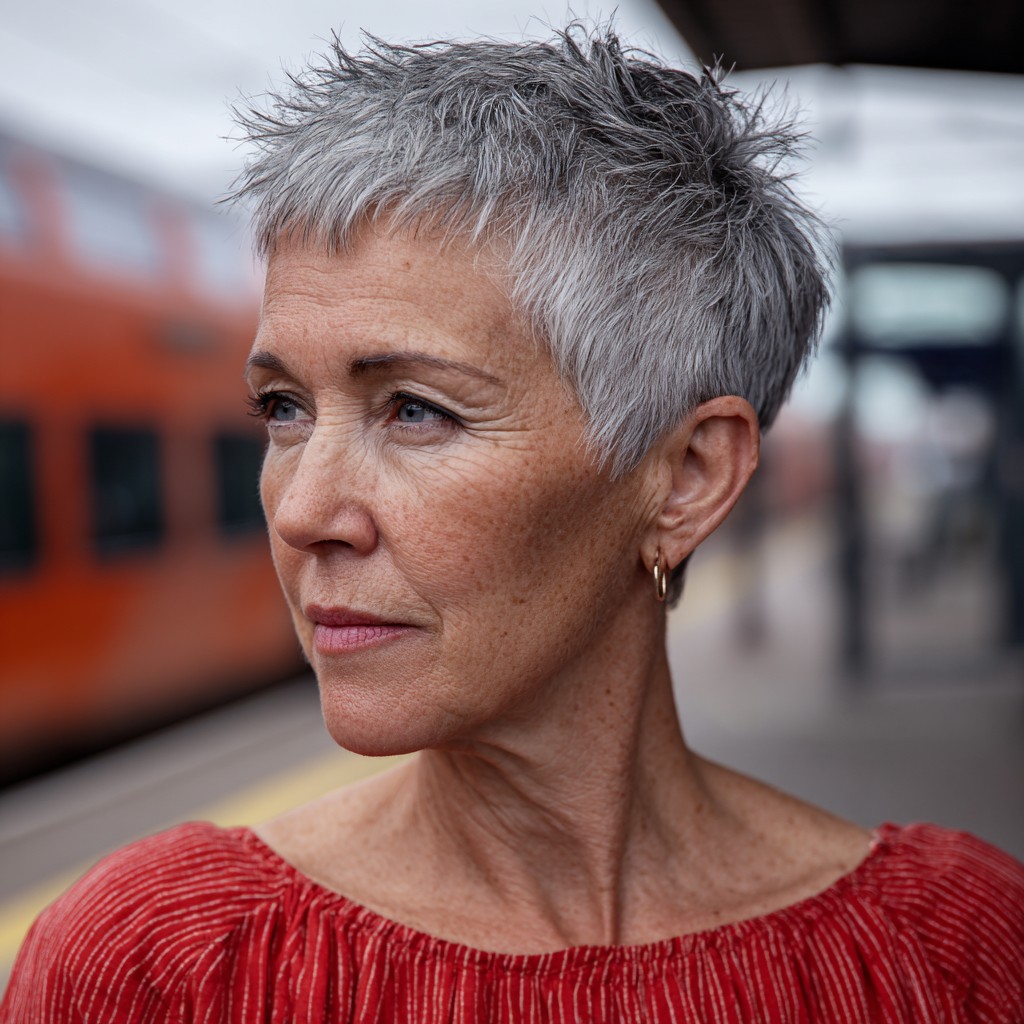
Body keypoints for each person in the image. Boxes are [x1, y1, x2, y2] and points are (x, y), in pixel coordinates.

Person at [3, 24, 1022, 1024]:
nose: (303, 512)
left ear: (687, 477)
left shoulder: (961, 955)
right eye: (283, 409)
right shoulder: (152, 966)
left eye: (415, 411)